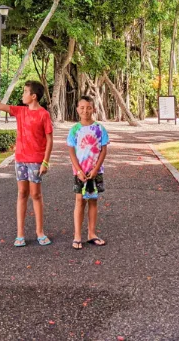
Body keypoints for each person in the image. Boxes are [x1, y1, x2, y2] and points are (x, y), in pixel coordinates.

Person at [0, 81, 53, 247]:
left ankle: (40, 232)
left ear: (33, 96)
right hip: (20, 159)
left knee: (35, 195)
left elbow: (49, 140)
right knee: (22, 193)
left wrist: (45, 162)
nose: (22, 95)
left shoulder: (43, 114)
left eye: (25, 92)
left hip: (36, 160)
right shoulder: (20, 111)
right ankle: (20, 234)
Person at [67, 96, 109, 250]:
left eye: (89, 107)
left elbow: (104, 150)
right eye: (82, 107)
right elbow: (71, 151)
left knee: (93, 200)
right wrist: (78, 170)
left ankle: (92, 233)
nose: (85, 110)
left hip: (95, 171)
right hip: (80, 172)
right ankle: (77, 235)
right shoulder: (74, 130)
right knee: (79, 201)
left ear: (94, 109)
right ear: (77, 109)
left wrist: (96, 168)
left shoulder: (100, 129)